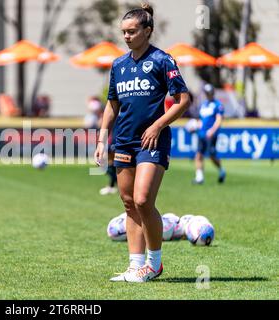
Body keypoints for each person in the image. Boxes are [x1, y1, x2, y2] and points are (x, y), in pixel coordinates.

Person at [94, 4, 191, 282]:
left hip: (152, 142)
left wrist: (158, 125)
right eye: (123, 32)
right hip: (123, 142)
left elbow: (183, 101)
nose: (126, 36)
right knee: (128, 204)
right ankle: (135, 266)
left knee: (143, 199)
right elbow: (112, 104)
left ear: (147, 31)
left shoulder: (162, 60)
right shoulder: (118, 65)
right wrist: (102, 138)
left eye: (132, 31)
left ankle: (154, 263)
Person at [192, 83, 226, 184]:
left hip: (211, 135)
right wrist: (196, 125)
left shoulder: (218, 105)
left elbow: (219, 120)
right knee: (198, 155)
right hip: (201, 133)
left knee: (212, 155)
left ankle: (221, 171)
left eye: (209, 93)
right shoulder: (204, 105)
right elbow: (200, 120)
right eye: (206, 93)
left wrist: (212, 131)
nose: (207, 95)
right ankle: (199, 177)